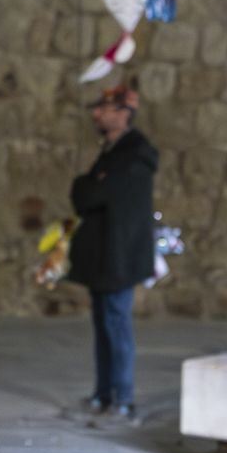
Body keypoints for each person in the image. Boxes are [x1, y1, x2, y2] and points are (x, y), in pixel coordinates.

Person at [67, 83, 159, 418]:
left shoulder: (134, 156)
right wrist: (89, 185)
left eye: (104, 108)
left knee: (116, 327)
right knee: (104, 327)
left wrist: (88, 186)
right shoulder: (113, 152)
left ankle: (122, 400)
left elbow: (90, 196)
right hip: (104, 258)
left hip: (119, 259)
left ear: (123, 114)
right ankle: (103, 394)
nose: (96, 113)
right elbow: (86, 194)